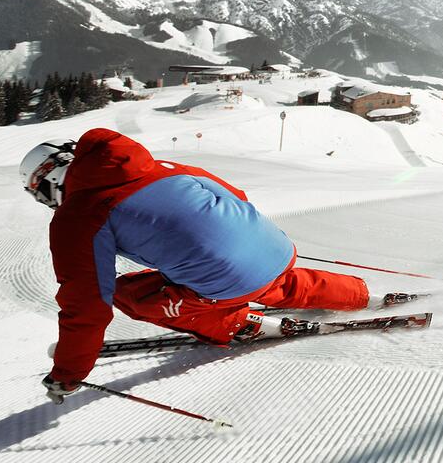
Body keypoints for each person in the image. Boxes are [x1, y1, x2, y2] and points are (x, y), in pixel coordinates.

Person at [21, 128, 382, 404]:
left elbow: (86, 304)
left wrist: (68, 373)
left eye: (40, 193)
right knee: (272, 280)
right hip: (275, 246)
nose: (48, 203)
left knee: (131, 295)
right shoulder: (163, 167)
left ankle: (239, 324)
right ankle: (363, 294)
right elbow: (235, 197)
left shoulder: (79, 214)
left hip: (230, 279)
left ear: (51, 179)